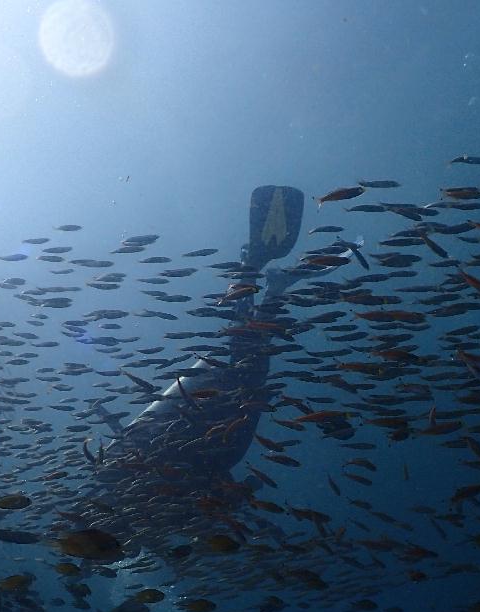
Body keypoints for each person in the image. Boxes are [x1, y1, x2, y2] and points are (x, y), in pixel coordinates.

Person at [72, 186, 359, 550]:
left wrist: (241, 505)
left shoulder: (130, 493)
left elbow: (216, 490)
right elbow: (222, 494)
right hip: (208, 421)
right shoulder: (127, 492)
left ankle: (258, 274)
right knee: (250, 362)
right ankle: (268, 285)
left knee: (251, 368)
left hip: (207, 421)